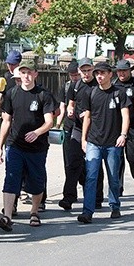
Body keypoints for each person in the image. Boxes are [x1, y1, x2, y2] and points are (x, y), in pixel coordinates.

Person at [0, 60, 56, 231]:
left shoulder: (43, 95)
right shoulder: (12, 94)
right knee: (11, 178)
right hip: (15, 145)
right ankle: (7, 216)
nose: (26, 76)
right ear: (18, 75)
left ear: (36, 74)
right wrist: (0, 146)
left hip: (37, 147)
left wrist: (37, 132)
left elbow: (49, 121)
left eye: (29, 72)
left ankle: (34, 211)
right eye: (23, 73)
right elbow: (6, 121)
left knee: (36, 181)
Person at [77, 62, 130, 224]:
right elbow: (87, 117)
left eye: (102, 73)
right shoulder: (90, 93)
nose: (99, 76)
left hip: (113, 143)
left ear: (110, 75)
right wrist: (83, 139)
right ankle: (88, 211)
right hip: (94, 141)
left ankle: (114, 206)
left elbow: (125, 115)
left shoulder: (119, 93)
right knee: (91, 177)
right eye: (97, 73)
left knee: (113, 177)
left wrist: (123, 135)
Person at [61, 58, 104, 211]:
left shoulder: (97, 86)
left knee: (94, 164)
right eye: (83, 71)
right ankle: (68, 197)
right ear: (79, 71)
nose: (86, 74)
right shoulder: (75, 85)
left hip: (95, 129)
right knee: (72, 161)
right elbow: (70, 104)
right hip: (78, 127)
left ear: (93, 70)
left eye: (88, 70)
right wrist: (70, 111)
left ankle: (97, 198)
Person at [113, 59, 134, 195]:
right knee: (116, 159)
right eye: (119, 70)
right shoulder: (113, 85)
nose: (121, 73)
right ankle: (117, 187)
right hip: (116, 127)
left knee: (133, 157)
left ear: (130, 71)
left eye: (124, 70)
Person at [55, 60, 83, 210]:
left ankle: (90, 191)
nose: (74, 78)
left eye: (76, 75)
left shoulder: (86, 86)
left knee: (81, 161)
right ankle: (70, 194)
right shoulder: (66, 87)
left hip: (84, 126)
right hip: (69, 126)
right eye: (72, 75)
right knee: (69, 161)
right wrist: (57, 125)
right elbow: (62, 107)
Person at [0, 50, 22, 118]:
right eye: (9, 64)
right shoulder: (5, 77)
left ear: (19, 63)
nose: (10, 67)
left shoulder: (25, 77)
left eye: (13, 64)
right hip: (7, 113)